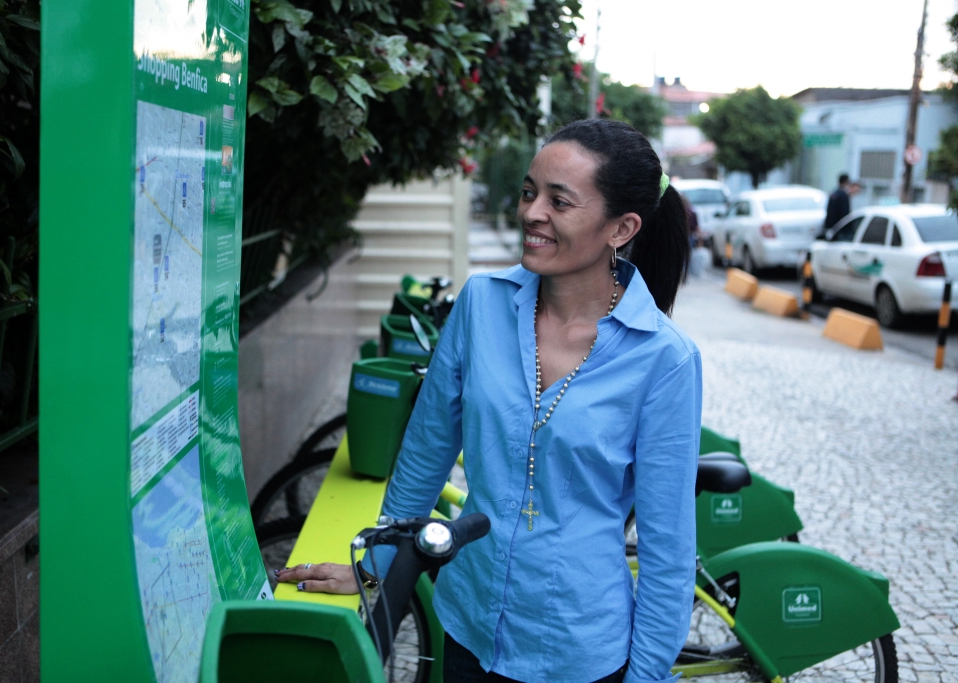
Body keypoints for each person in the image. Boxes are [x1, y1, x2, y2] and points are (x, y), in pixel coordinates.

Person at [276, 119, 702, 683]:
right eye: (529, 192)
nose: (531, 212)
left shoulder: (663, 359)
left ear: (620, 228)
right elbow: (426, 451)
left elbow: (667, 548)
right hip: (467, 624)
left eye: (560, 201)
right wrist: (377, 565)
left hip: (580, 650)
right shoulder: (481, 304)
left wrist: (645, 677)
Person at [822, 173, 857, 237]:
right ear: (846, 182)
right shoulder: (843, 196)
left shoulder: (833, 193)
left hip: (831, 226)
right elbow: (845, 213)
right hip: (840, 228)